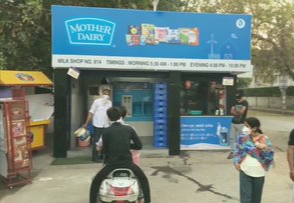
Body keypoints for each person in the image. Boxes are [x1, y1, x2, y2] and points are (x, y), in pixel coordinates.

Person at [89, 107, 151, 203]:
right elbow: (139, 146)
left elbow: (104, 150)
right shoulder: (129, 129)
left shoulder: (106, 131)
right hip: (128, 164)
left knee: (95, 182)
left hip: (111, 165)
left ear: (109, 118)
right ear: (121, 116)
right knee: (143, 179)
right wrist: (126, 145)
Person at [233, 117, 274, 203]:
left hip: (259, 172)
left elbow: (270, 156)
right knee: (245, 199)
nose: (244, 128)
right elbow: (237, 150)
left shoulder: (264, 139)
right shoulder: (243, 137)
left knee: (256, 199)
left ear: (254, 128)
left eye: (247, 126)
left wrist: (266, 148)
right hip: (245, 170)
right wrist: (236, 161)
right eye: (244, 126)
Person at [83, 88, 112, 162]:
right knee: (97, 140)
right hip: (97, 124)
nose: (106, 95)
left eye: (108, 94)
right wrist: (86, 123)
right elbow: (91, 112)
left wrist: (111, 122)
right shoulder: (96, 102)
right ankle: (94, 157)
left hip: (106, 125)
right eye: (105, 94)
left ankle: (102, 155)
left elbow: (109, 114)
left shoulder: (109, 103)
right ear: (102, 94)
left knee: (105, 141)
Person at [227, 90, 249, 159]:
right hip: (233, 122)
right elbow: (231, 111)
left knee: (241, 138)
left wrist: (235, 111)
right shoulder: (235, 101)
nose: (237, 98)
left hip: (241, 123)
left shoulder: (245, 102)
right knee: (231, 138)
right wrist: (237, 112)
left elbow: (242, 112)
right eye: (237, 97)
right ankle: (232, 152)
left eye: (238, 97)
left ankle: (241, 153)